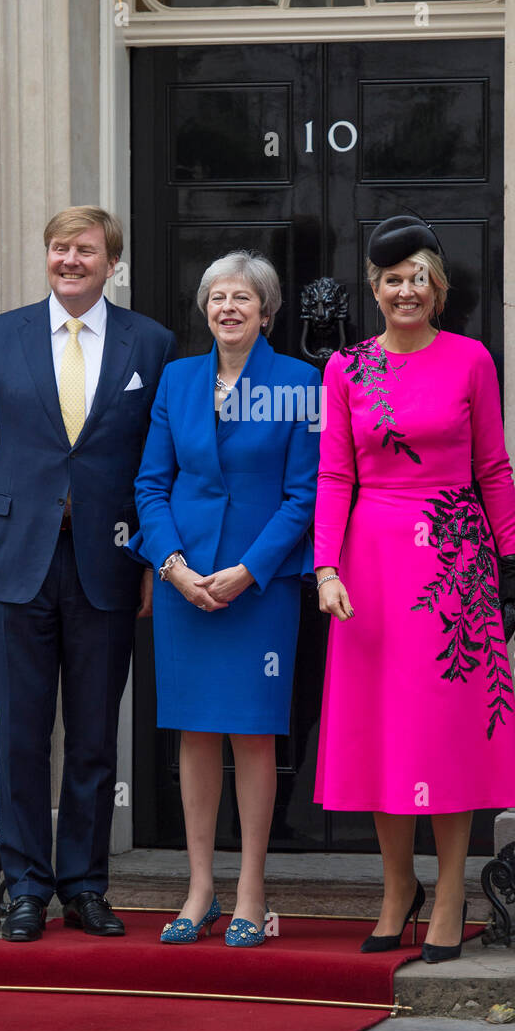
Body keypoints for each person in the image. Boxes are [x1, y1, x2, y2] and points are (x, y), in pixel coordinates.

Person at [313, 213, 515, 960]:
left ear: (437, 289)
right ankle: (397, 887)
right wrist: (325, 568)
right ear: (375, 290)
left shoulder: (470, 360)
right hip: (371, 565)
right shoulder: (346, 369)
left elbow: (493, 470)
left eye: (418, 278)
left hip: (455, 562)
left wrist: (512, 567)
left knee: (444, 733)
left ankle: (450, 893)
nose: (404, 291)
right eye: (391, 280)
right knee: (384, 731)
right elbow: (334, 473)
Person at [0, 206, 177, 941]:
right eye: (57, 249)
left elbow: (158, 466)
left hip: (106, 565)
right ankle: (24, 889)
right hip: (16, 562)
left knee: (91, 737)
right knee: (20, 734)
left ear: (113, 262)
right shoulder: (0, 336)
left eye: (84, 250)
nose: (69, 261)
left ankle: (83, 885)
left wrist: (149, 559)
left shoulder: (152, 342)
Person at [124, 251, 321, 947]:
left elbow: (305, 497)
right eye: (217, 298)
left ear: (265, 312)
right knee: (195, 731)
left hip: (257, 588)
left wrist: (248, 571)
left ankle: (250, 889)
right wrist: (173, 567)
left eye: (242, 298)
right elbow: (151, 484)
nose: (228, 309)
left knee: (253, 732)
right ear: (205, 310)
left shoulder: (301, 382)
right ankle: (200, 886)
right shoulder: (178, 380)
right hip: (185, 583)